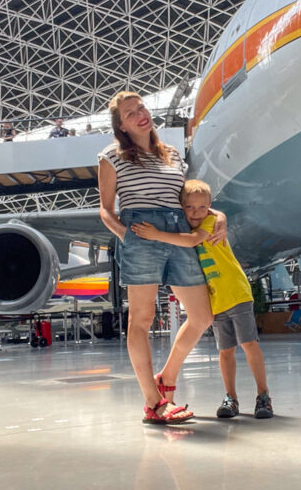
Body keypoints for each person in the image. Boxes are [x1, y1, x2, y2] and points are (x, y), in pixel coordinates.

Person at [97, 91, 227, 425]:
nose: (140, 114)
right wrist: (126, 237)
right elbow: (105, 210)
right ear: (122, 126)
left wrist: (217, 215)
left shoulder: (172, 155)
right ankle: (153, 403)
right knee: (140, 319)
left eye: (140, 107)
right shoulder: (111, 157)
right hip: (140, 231)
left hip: (177, 230)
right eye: (130, 113)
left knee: (202, 316)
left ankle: (166, 377)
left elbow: (183, 200)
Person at [133, 179, 273, 419]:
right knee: (225, 351)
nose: (195, 212)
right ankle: (231, 397)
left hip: (235, 292)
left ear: (208, 207)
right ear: (182, 207)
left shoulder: (208, 223)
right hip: (216, 299)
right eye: (189, 207)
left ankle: (263, 395)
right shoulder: (188, 226)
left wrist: (156, 234)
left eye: (201, 207)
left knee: (249, 344)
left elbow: (192, 241)